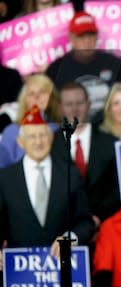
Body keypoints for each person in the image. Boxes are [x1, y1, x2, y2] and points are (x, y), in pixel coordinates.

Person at [0, 105, 94, 260]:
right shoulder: (5, 178)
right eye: (32, 137)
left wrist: (70, 238)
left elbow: (85, 223)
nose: (38, 142)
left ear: (51, 138)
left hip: (63, 268)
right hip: (20, 274)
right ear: (20, 142)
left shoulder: (70, 174)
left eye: (42, 135)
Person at [51, 81, 121, 224]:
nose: (74, 109)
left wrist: (98, 218)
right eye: (69, 104)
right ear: (60, 108)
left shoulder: (111, 143)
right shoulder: (50, 144)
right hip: (63, 229)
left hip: (105, 225)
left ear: (89, 105)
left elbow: (117, 189)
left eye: (79, 103)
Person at [45, 11, 121, 122]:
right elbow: (51, 108)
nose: (87, 41)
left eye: (91, 35)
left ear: (97, 35)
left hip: (110, 125)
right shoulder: (56, 69)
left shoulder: (114, 63)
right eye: (81, 36)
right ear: (71, 38)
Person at [0, 74, 61, 166]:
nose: (36, 97)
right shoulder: (12, 131)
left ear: (52, 97)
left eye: (42, 92)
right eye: (31, 93)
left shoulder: (62, 130)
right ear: (24, 100)